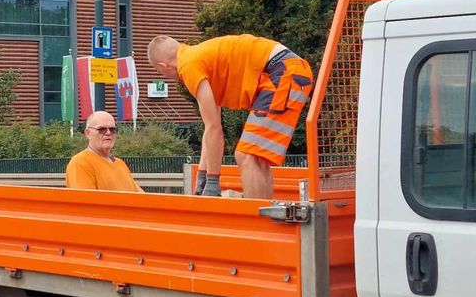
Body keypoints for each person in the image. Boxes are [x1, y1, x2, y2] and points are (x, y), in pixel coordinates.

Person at [147, 34, 313, 200]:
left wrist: (212, 181)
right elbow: (210, 128)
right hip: (289, 71)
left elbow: (214, 129)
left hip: (282, 72)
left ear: (163, 65)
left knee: (246, 156)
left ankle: (256, 222)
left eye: (159, 71)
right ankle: (265, 219)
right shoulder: (200, 58)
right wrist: (203, 175)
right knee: (257, 159)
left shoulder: (188, 66)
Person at [65, 111, 143, 192]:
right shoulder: (80, 163)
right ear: (88, 133)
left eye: (112, 129)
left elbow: (143, 198)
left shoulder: (120, 164)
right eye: (101, 129)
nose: (108, 133)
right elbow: (85, 202)